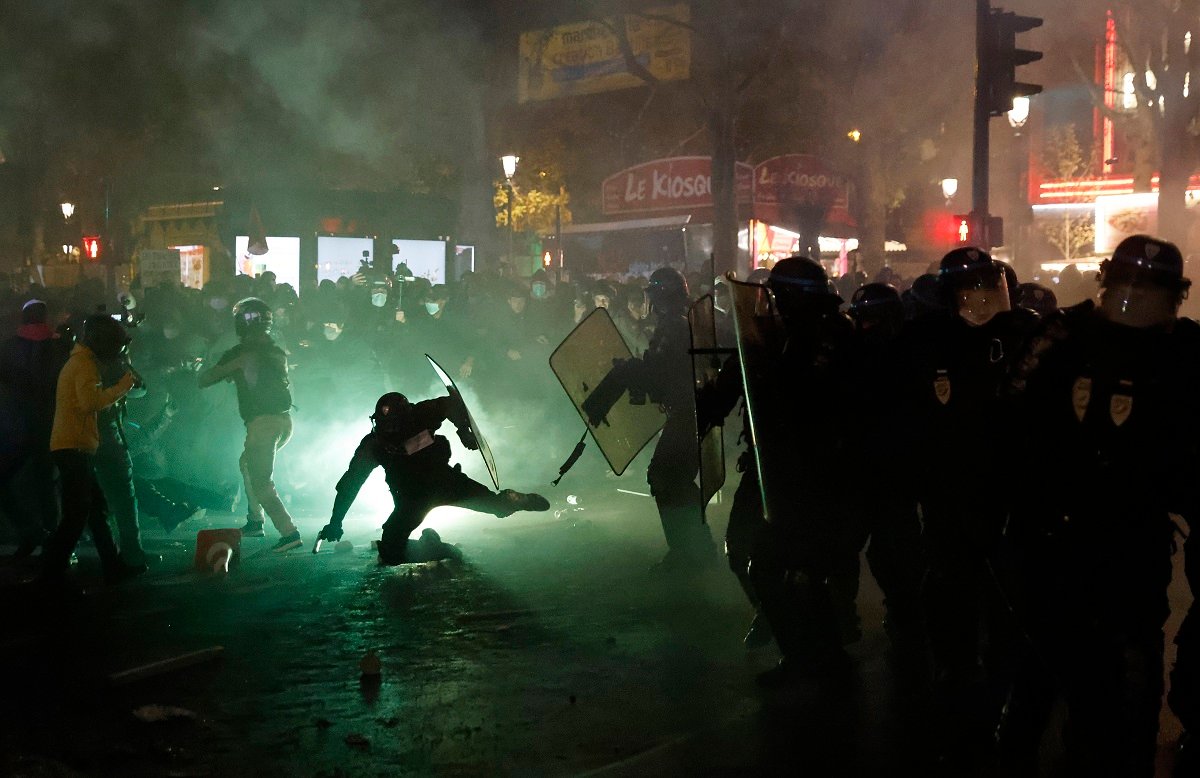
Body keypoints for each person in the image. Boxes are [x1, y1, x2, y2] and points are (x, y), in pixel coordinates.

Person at [998, 235, 1200, 776]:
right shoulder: (1061, 335)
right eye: (1128, 284)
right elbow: (1011, 423)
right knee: (1047, 663)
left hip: (1132, 540)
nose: (1136, 297)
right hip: (1052, 536)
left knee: (1131, 676)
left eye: (1150, 288)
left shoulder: (1186, 351)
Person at [892, 247, 1039, 760]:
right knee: (950, 583)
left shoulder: (1025, 334)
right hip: (949, 490)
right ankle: (955, 669)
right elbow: (906, 414)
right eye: (971, 288)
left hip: (1011, 490)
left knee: (1010, 591)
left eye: (989, 286)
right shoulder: (923, 340)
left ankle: (1005, 679)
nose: (982, 298)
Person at [584, 267, 718, 573]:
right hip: (688, 410)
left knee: (665, 477)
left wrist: (624, 373)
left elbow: (657, 370)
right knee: (675, 479)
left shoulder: (674, 326)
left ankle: (690, 552)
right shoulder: (680, 323)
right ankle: (696, 548)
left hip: (687, 412)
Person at [314, 392, 549, 564]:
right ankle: (441, 546)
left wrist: (464, 430)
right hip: (428, 491)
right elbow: (350, 484)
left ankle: (507, 503)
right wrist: (335, 521)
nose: (390, 430)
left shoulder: (396, 430)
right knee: (391, 552)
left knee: (391, 552)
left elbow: (451, 403)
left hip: (432, 488)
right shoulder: (378, 442)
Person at [38, 315, 143, 588]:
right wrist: (123, 386)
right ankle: (50, 573)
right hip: (73, 446)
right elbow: (90, 403)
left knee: (95, 510)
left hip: (74, 445)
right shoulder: (84, 364)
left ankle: (112, 566)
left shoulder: (80, 361)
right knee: (78, 515)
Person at [198, 297, 301, 553]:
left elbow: (206, 379)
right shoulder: (277, 352)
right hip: (284, 421)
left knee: (261, 481)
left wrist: (204, 367)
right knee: (247, 464)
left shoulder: (240, 353)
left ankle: (289, 532)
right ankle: (255, 520)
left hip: (263, 425)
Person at [0, 299, 69, 556]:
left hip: (16, 426)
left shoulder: (8, 347)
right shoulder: (60, 346)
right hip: (51, 424)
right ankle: (54, 541)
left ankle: (30, 532)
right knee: (46, 484)